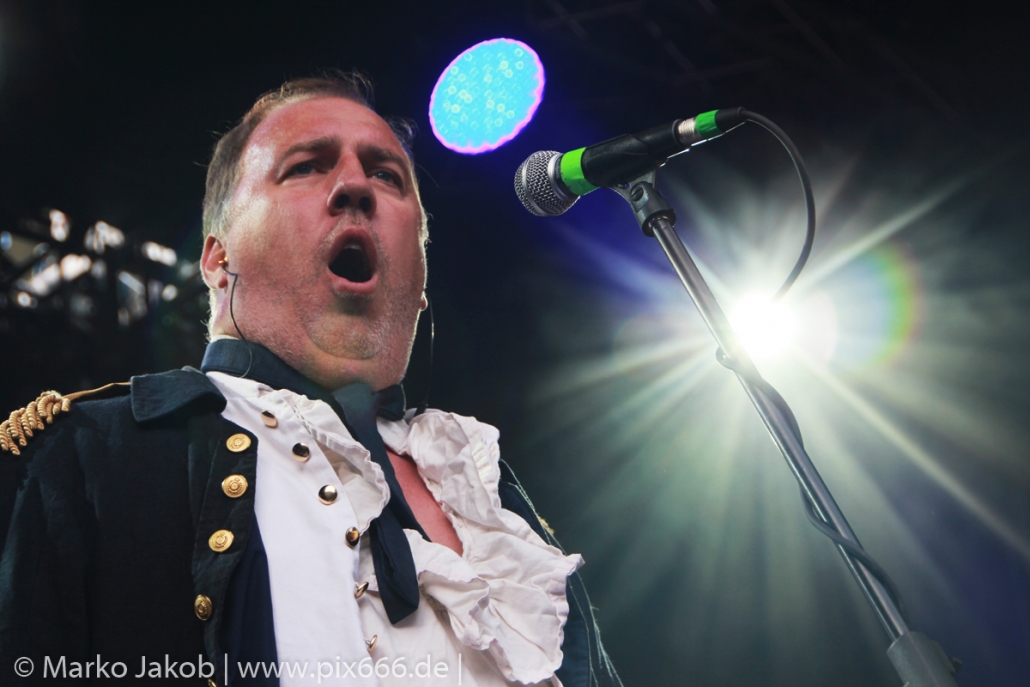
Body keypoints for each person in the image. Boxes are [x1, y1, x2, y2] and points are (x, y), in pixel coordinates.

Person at [0, 73, 622, 687]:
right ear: (217, 259)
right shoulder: (91, 454)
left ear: (420, 278)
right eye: (304, 167)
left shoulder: (487, 492)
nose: (355, 186)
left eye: (387, 175)